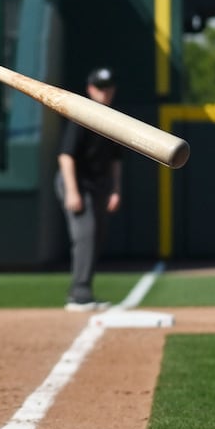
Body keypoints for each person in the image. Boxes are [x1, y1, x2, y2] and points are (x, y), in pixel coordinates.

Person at [55, 67, 122, 312]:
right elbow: (65, 156)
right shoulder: (83, 115)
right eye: (100, 88)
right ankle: (79, 294)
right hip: (75, 181)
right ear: (91, 89)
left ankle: (84, 291)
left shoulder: (113, 120)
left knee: (96, 236)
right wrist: (72, 191)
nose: (105, 93)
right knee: (85, 234)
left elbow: (116, 160)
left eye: (108, 88)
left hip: (98, 184)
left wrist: (115, 190)